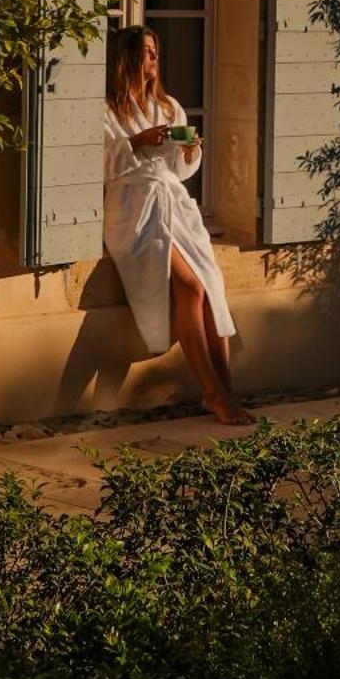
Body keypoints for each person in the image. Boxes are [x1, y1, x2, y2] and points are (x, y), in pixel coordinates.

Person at [103, 24, 253, 425]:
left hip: (172, 200)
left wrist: (189, 150)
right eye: (147, 52)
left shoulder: (167, 106)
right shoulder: (107, 109)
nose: (155, 59)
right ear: (128, 57)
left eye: (156, 51)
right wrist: (136, 142)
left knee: (212, 287)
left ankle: (226, 390)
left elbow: (180, 170)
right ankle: (211, 393)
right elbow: (100, 163)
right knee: (191, 286)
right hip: (134, 206)